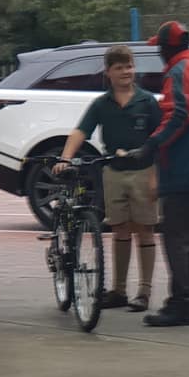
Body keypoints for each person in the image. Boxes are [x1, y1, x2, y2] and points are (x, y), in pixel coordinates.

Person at [122, 21, 189, 327]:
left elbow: (178, 114)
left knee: (176, 237)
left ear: (168, 48)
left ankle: (179, 303)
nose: (160, 54)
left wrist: (151, 145)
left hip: (184, 168)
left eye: (160, 48)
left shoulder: (178, 72)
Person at [55, 44, 161, 311]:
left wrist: (157, 175)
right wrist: (65, 157)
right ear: (108, 72)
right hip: (113, 172)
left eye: (129, 66)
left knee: (145, 228)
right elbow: (80, 132)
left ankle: (144, 292)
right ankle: (119, 290)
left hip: (143, 171)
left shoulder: (147, 101)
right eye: (120, 67)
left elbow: (160, 139)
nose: (126, 72)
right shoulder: (101, 104)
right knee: (120, 228)